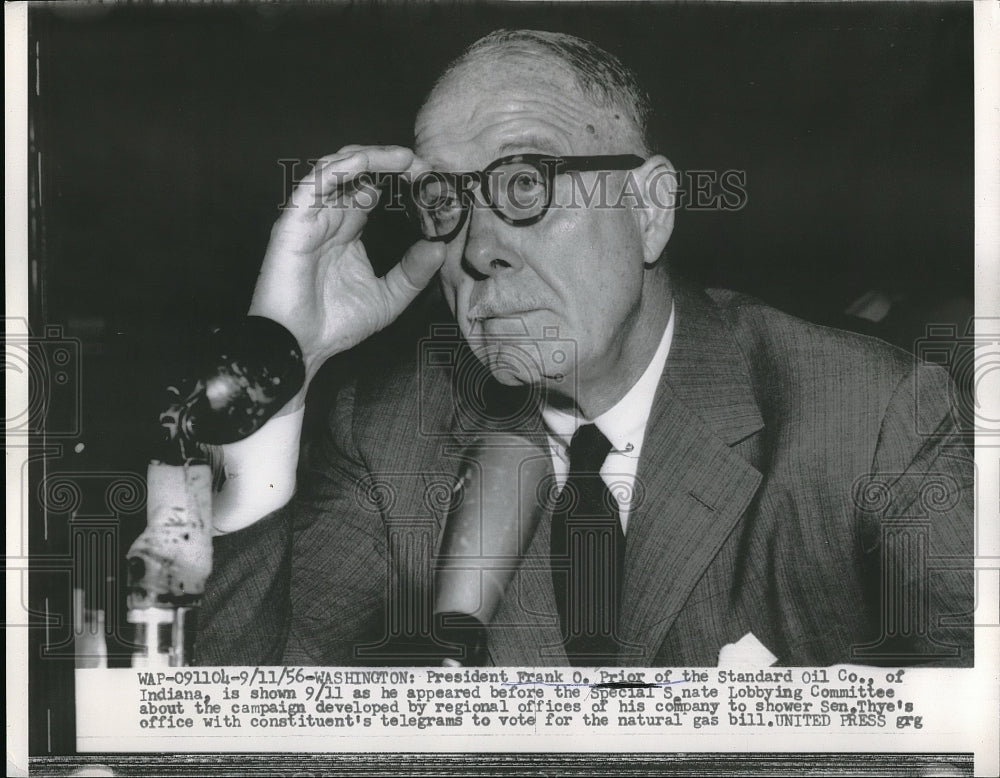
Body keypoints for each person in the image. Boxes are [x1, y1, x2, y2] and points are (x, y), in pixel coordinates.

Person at [195, 29, 973, 668]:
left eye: (526, 185)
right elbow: (243, 719)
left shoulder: (868, 415)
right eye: (445, 202)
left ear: (649, 208)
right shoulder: (387, 432)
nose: (480, 251)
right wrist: (281, 361)